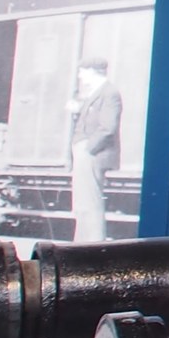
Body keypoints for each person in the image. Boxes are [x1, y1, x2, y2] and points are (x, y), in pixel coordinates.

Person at [66, 57, 121, 243]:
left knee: (90, 201)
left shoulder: (109, 93)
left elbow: (108, 127)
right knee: (83, 201)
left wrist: (88, 149)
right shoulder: (98, 92)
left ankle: (92, 243)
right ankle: (82, 243)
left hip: (92, 154)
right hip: (86, 152)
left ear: (92, 71)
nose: (80, 76)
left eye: (82, 72)